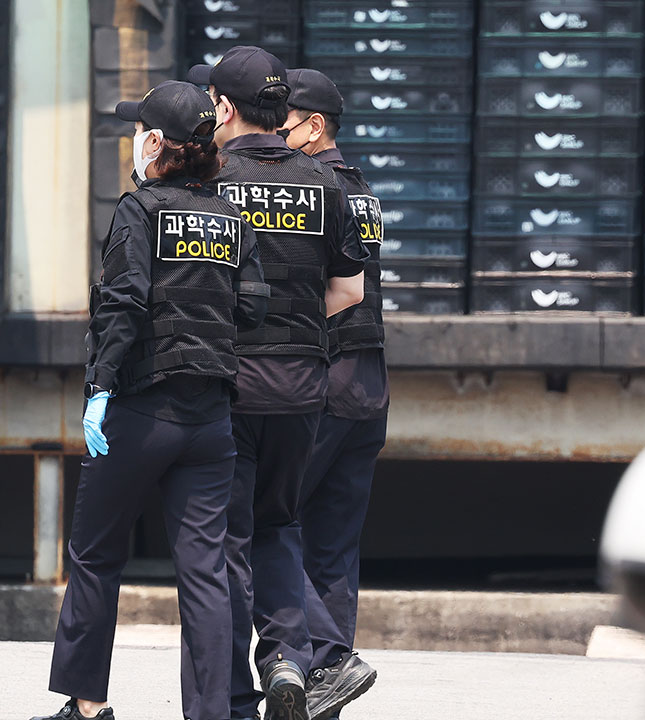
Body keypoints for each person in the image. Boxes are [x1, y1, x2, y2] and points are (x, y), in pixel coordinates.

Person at [31, 80, 268, 720]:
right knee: (205, 572)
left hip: (140, 411)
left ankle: (88, 706)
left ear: (157, 143)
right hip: (211, 420)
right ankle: (212, 713)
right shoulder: (232, 218)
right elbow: (253, 307)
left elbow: (124, 302)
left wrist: (99, 388)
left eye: (138, 131)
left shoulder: (139, 210)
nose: (133, 140)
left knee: (96, 555)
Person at [185, 47, 368, 720]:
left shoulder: (211, 180)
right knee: (282, 526)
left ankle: (244, 691)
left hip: (229, 385)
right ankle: (289, 657)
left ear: (223, 107)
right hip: (303, 385)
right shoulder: (325, 182)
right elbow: (350, 290)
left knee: (227, 543)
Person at [280, 68, 384, 720]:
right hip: (370, 385)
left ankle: (330, 660)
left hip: (326, 378)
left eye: (283, 123)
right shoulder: (362, 189)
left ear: (315, 126)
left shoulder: (314, 188)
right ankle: (329, 685)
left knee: (266, 523)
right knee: (335, 550)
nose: (274, 134)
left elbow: (330, 293)